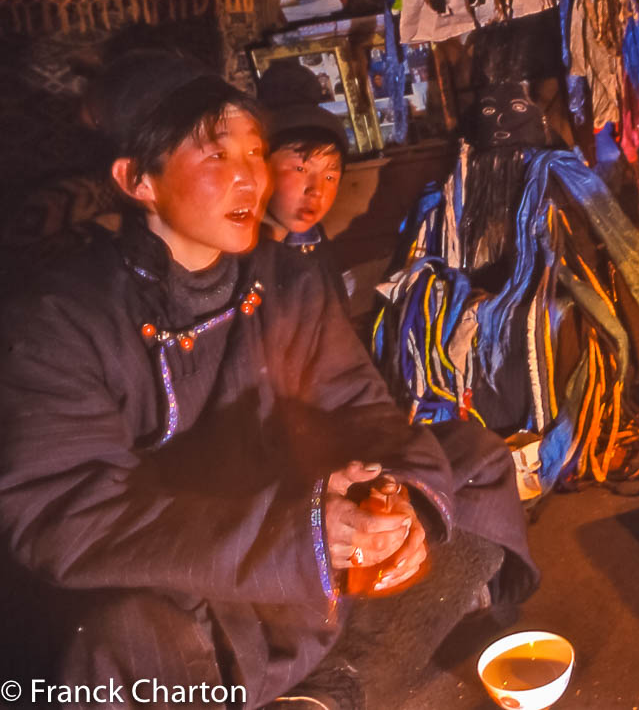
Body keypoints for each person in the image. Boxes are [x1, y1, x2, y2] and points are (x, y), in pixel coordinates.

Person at [0, 52, 537, 709]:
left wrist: (397, 494)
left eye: (255, 153)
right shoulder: (64, 319)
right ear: (138, 178)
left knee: (466, 463)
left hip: (291, 543)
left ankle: (329, 685)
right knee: (126, 628)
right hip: (193, 570)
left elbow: (357, 406)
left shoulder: (281, 276)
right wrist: (298, 533)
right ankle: (329, 682)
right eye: (216, 156)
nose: (249, 178)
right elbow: (68, 515)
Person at [257, 60, 351, 307]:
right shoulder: (236, 254)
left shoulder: (314, 242)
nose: (317, 190)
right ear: (261, 166)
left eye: (330, 176)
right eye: (300, 168)